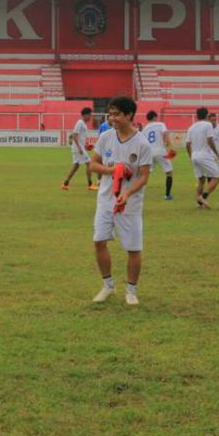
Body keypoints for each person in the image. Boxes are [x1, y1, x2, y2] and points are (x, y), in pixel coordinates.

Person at [89, 96, 152, 306]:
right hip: (106, 201)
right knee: (99, 242)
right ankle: (107, 285)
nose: (112, 118)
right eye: (111, 114)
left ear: (129, 115)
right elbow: (93, 164)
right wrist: (112, 170)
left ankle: (131, 291)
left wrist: (127, 193)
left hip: (130, 205)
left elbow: (143, 177)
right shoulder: (106, 136)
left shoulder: (142, 143)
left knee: (133, 249)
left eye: (117, 114)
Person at [185, 106, 219, 209]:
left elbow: (187, 144)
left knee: (201, 180)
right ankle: (203, 197)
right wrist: (218, 154)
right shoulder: (207, 125)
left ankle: (199, 204)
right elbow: (210, 140)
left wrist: (190, 156)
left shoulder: (191, 127)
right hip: (204, 154)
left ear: (197, 116)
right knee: (217, 177)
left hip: (194, 155)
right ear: (207, 115)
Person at [143, 110, 175, 200]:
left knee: (146, 174)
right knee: (169, 172)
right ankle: (168, 195)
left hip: (149, 153)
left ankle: (140, 193)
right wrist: (171, 146)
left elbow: (143, 142)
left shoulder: (145, 128)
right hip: (160, 151)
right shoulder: (160, 124)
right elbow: (165, 133)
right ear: (154, 117)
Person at [61, 106, 95, 190]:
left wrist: (86, 146)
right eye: (90, 115)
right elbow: (74, 135)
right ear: (85, 115)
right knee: (89, 163)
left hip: (79, 148)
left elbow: (80, 138)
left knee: (76, 166)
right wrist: (80, 148)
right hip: (78, 149)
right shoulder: (80, 122)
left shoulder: (83, 124)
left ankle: (65, 184)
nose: (91, 117)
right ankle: (90, 185)